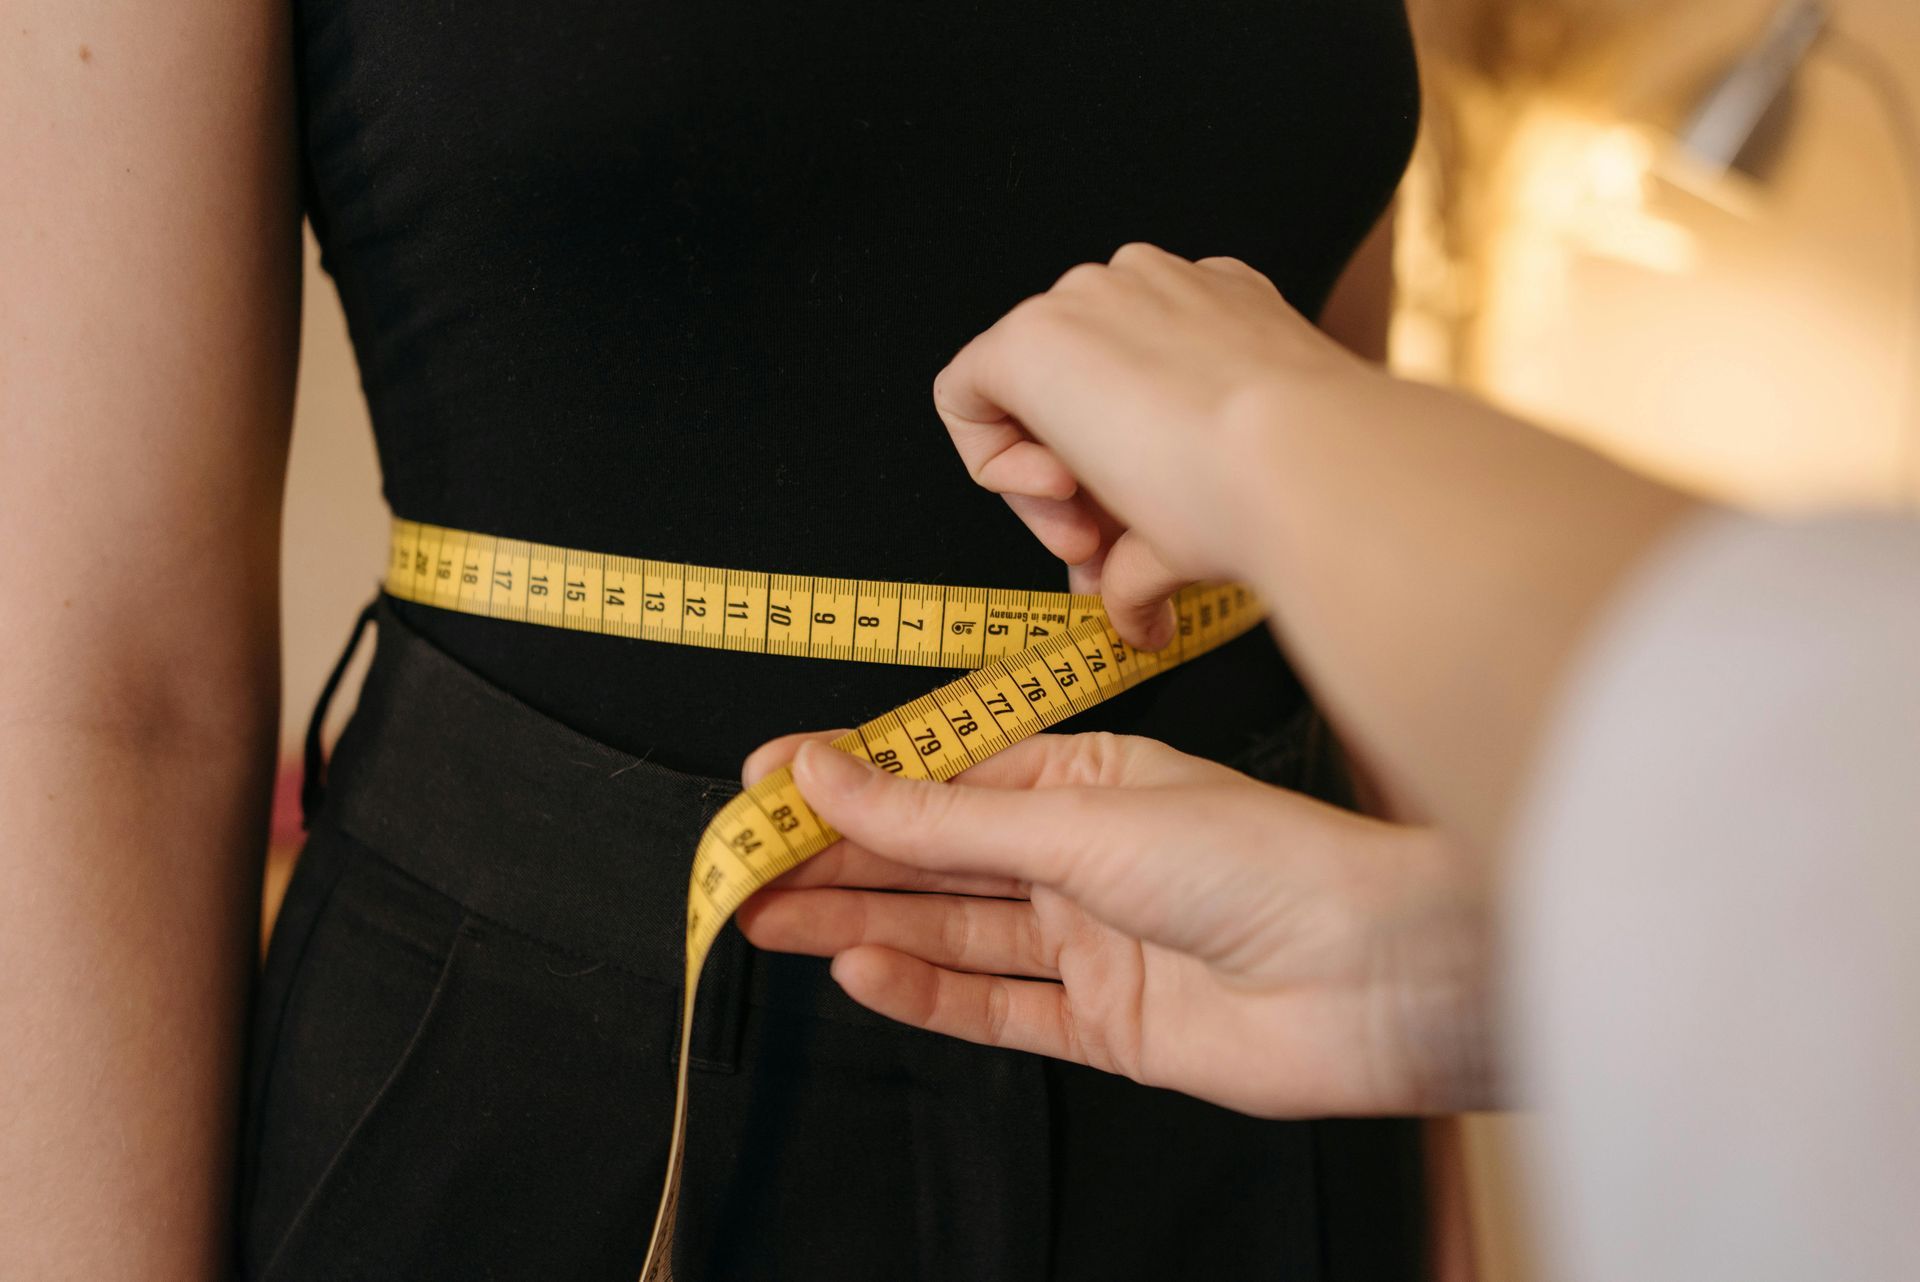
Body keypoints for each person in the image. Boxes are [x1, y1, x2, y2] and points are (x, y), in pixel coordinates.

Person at [2, 5, 1440, 1280]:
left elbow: (1319, 449)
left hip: (1260, 1065)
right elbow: (116, 689)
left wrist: (1459, 1176)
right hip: (534, 1101)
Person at [736, 245, 1920, 1281]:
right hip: (697, 994)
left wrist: (1271, 422)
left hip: (1257, 1047)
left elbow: (1803, 753)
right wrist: (1442, 978)